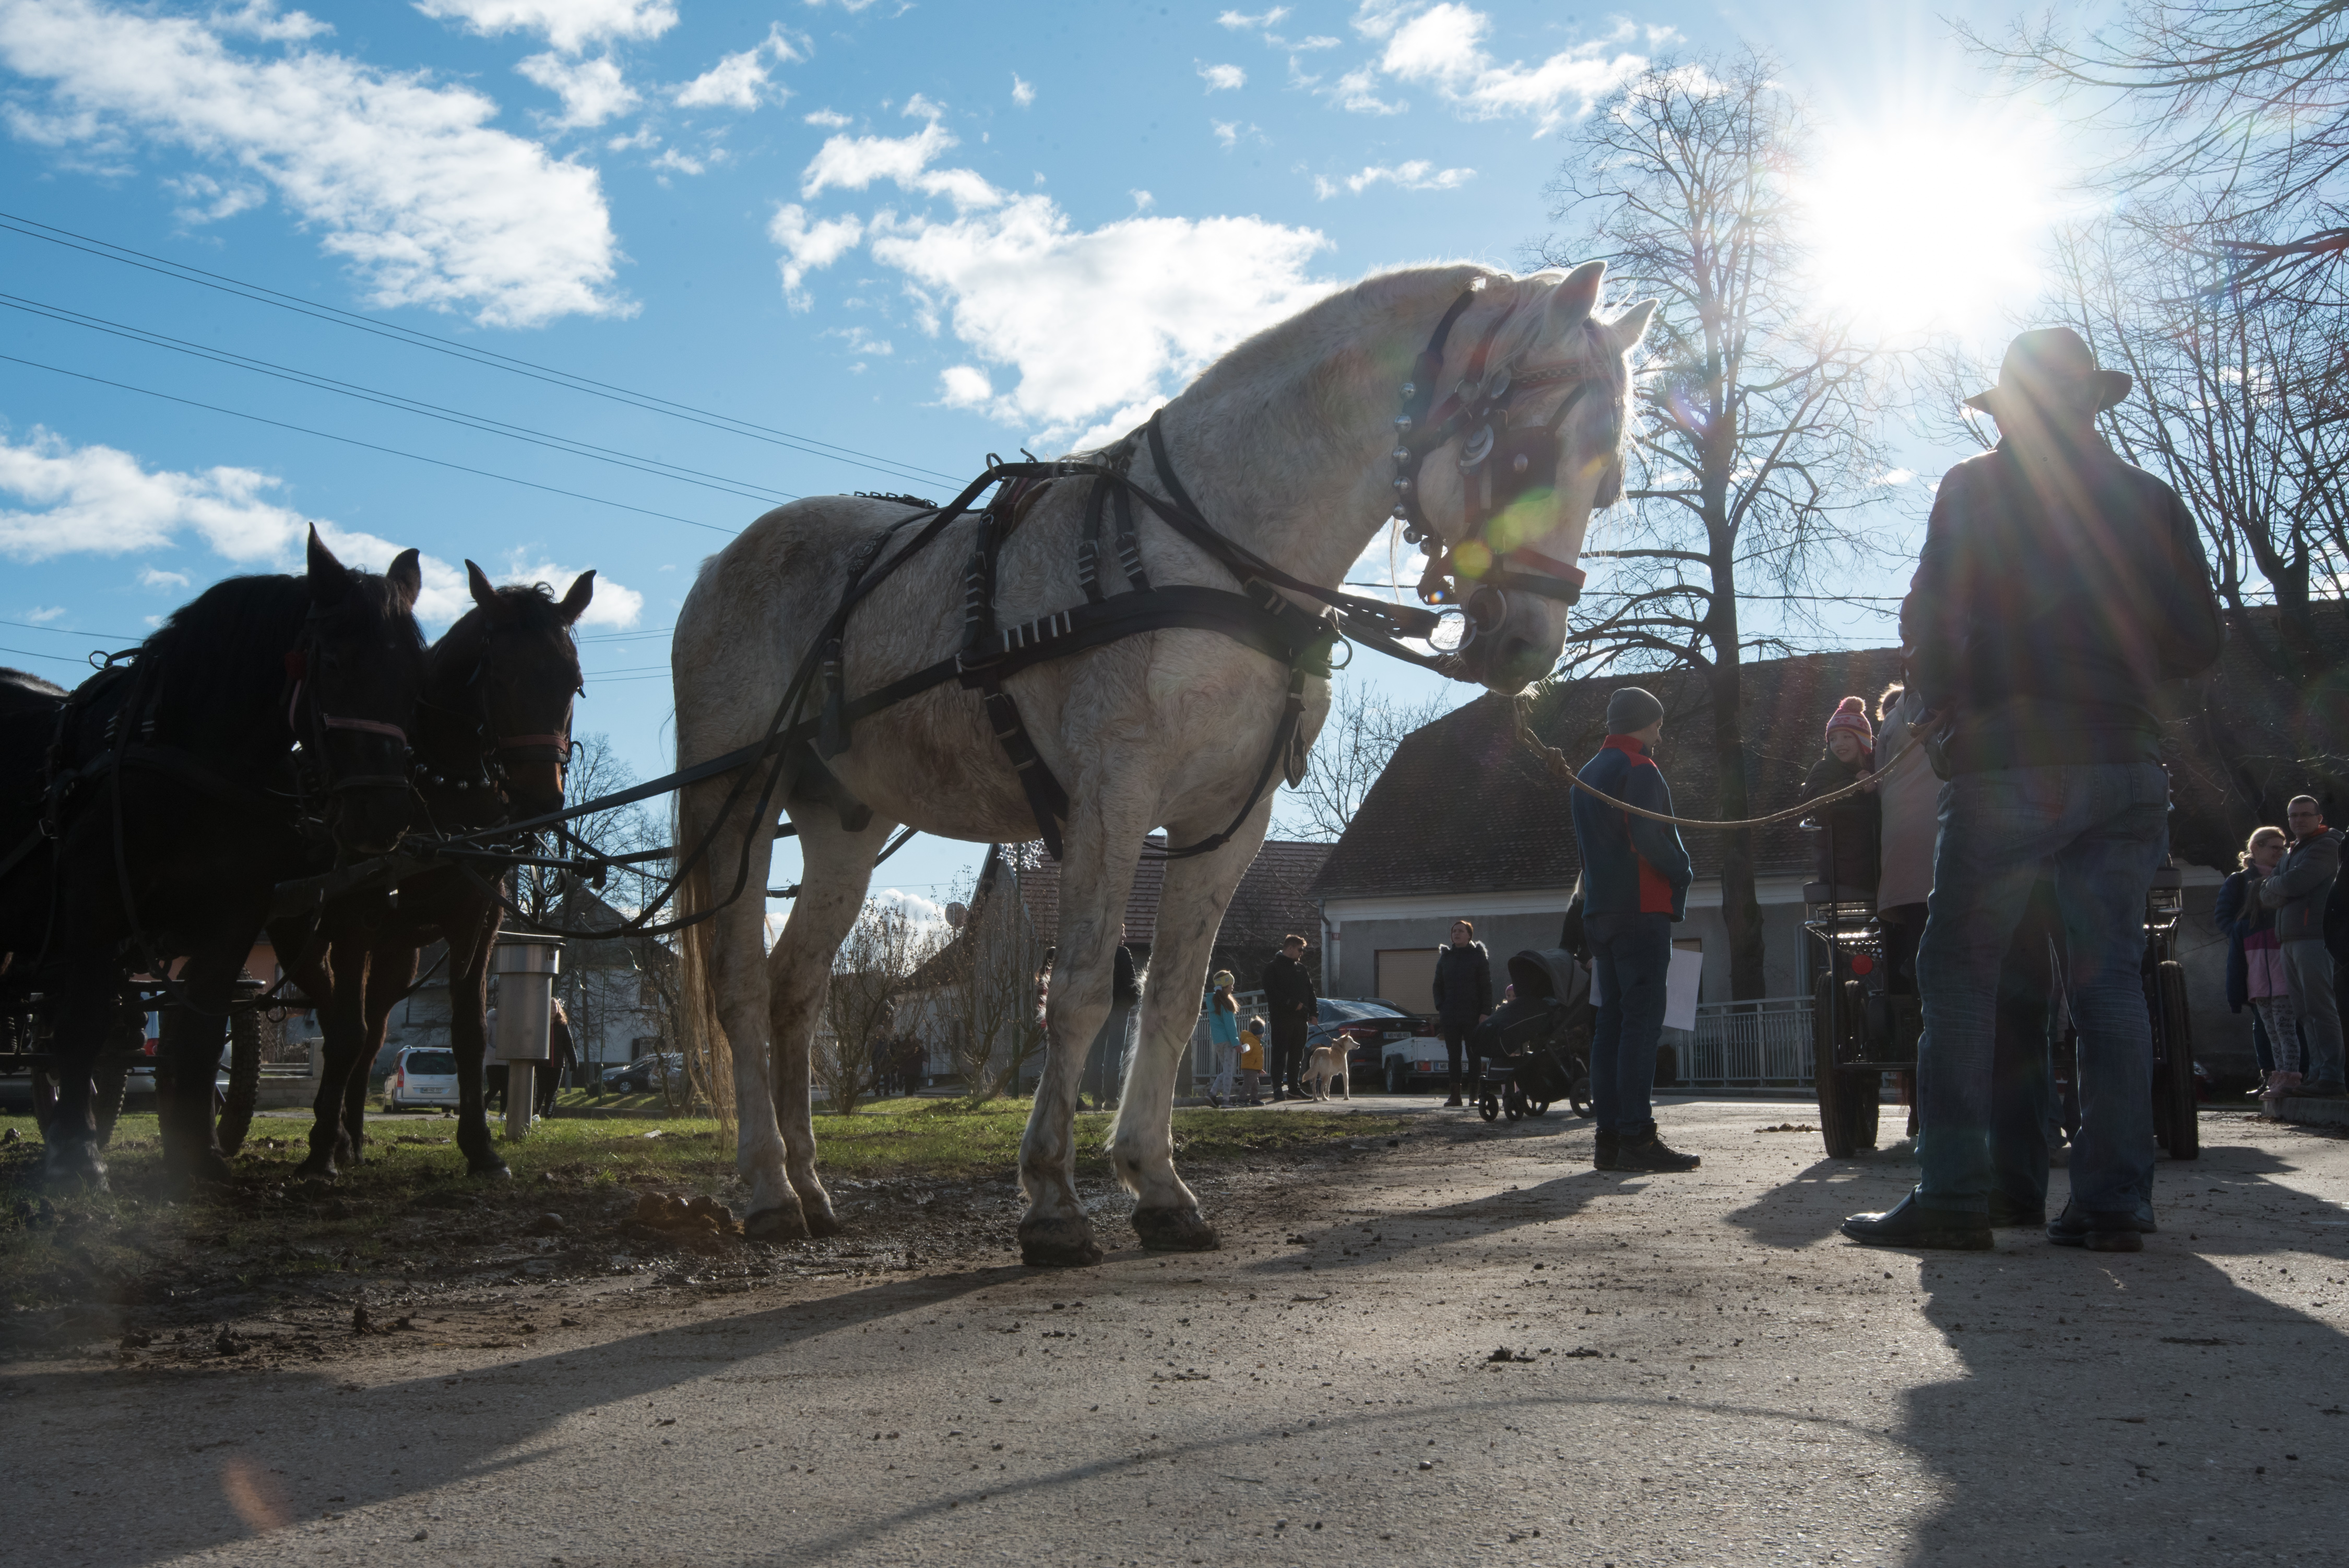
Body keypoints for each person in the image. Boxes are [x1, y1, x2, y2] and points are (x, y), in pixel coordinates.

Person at [1846, 326, 2224, 1254]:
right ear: (2094, 403)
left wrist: (1949, 698)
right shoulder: (2150, 498)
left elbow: (1932, 615)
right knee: (2108, 987)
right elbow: (2200, 641)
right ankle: (2113, 1200)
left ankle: (1956, 1192)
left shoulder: (1975, 488)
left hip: (2013, 755)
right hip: (2125, 761)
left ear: (2010, 409)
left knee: (1962, 976)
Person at [1568, 686, 1700, 1173]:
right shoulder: (1640, 769)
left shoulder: (1584, 774)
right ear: (1645, 723)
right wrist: (1683, 868)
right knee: (1641, 1027)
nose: (1661, 734)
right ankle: (1638, 1136)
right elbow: (1650, 836)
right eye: (1658, 725)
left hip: (1599, 912)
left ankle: (1609, 1137)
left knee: (1611, 1025)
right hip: (1641, 909)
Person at [2259, 797, 2344, 1097]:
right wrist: (2278, 885)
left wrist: (2275, 883)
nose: (2299, 820)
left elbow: (2295, 884)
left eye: (2306, 815)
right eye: (2293, 815)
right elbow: (2265, 896)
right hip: (2290, 940)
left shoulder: (2328, 845)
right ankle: (2319, 1075)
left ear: (2319, 817)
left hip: (2315, 938)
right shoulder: (2293, 851)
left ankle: (2333, 1078)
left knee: (2321, 1009)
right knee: (2304, 1012)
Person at [2218, 826, 2298, 1108]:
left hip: (2284, 958)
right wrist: (2244, 935)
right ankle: (2269, 1075)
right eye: (2272, 847)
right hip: (2254, 962)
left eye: (2283, 846)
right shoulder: (2239, 881)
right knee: (2264, 1025)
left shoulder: (2289, 876)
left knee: (2289, 1023)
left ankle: (2296, 1075)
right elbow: (2224, 917)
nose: (2280, 851)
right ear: (2255, 849)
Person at [1801, 696, 1882, 896]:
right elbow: (1811, 800)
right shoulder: (1825, 768)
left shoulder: (1879, 766)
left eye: (1847, 737)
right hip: (1843, 863)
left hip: (1877, 857)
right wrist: (1856, 787)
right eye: (1833, 739)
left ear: (1862, 740)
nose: (1839, 745)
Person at [1431, 919, 1493, 1108]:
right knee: (1453, 1055)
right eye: (1454, 931)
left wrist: (1485, 1012)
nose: (1456, 934)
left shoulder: (1478, 956)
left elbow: (1486, 987)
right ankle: (1455, 1096)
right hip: (1450, 1015)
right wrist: (1441, 1006)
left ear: (1469, 935)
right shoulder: (1446, 957)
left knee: (1473, 1054)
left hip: (1473, 1014)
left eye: (1461, 931)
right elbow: (1437, 986)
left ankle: (1474, 1096)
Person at [1259, 934, 1317, 1101]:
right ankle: (1277, 1087)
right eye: (1300, 950)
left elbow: (1311, 992)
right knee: (1279, 1054)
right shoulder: (1273, 968)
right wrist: (1291, 1003)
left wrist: (1314, 1013)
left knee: (1297, 1055)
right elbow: (1271, 993)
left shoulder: (1301, 969)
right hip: (1282, 1020)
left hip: (1301, 1021)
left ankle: (1294, 1088)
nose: (1302, 953)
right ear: (1290, 948)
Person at [1204, 970, 1241, 1107]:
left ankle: (1212, 1094)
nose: (1233, 988)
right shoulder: (1226, 1004)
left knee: (1226, 1070)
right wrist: (1236, 1043)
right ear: (1225, 986)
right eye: (1231, 985)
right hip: (1228, 1041)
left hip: (1218, 1041)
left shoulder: (1213, 1002)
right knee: (1229, 1071)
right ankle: (1226, 1100)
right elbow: (1230, 1026)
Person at [537, 999, 576, 1118]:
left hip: (558, 1065)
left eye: (555, 1007)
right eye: (551, 1007)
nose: (553, 1010)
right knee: (540, 1091)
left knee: (552, 1092)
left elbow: (569, 1044)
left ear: (559, 1009)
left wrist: (573, 1061)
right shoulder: (541, 1024)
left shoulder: (562, 1026)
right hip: (542, 1064)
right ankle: (535, 1114)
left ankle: (549, 1116)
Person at [1238, 1016, 1267, 1104]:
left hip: (1254, 1068)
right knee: (1248, 1085)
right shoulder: (1251, 1040)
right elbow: (1247, 1049)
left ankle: (1254, 1099)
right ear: (1260, 1032)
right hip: (1250, 1068)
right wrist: (1245, 1048)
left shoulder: (1256, 1041)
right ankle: (1241, 1099)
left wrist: (1259, 1068)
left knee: (1255, 1085)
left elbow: (1256, 1057)